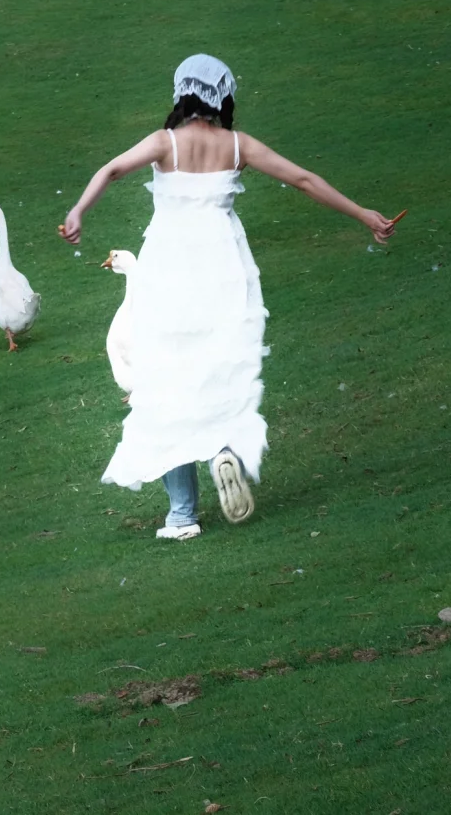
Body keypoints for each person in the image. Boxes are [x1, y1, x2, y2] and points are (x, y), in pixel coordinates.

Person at [60, 55, 397, 540]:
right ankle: (223, 450)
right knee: (221, 367)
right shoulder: (237, 146)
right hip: (222, 270)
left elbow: (111, 170)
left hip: (168, 272)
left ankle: (181, 515)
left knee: (166, 381)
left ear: (181, 93)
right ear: (223, 96)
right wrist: (364, 214)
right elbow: (302, 179)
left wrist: (78, 212)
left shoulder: (164, 143)